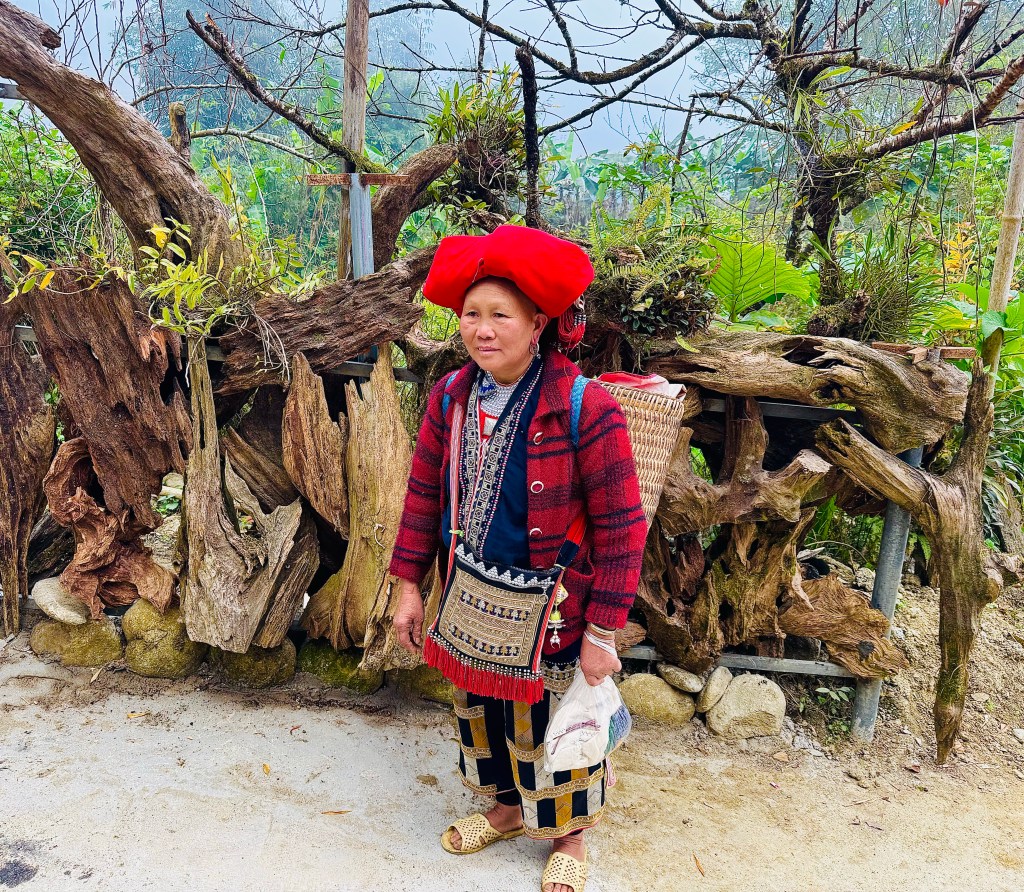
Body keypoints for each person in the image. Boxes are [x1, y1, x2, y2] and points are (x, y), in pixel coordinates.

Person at [390, 225, 646, 892]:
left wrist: (602, 633)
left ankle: (569, 835)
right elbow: (422, 494)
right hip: (471, 599)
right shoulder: (451, 397)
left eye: (500, 315)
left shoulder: (587, 409)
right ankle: (506, 809)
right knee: (484, 709)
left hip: (555, 608)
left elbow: (623, 528)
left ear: (538, 324)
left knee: (556, 719)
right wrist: (408, 585)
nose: (482, 330)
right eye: (471, 314)